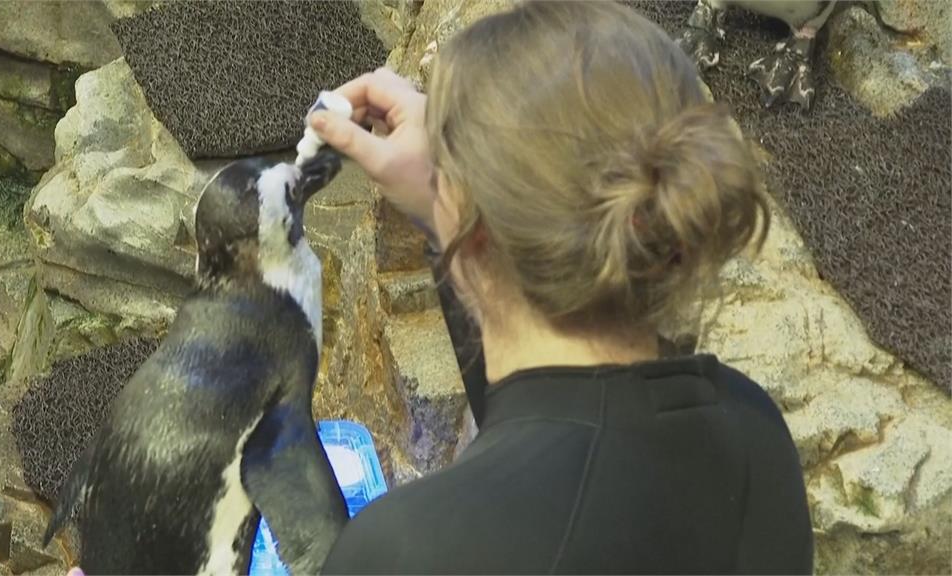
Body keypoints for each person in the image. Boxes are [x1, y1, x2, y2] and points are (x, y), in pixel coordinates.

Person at [311, 1, 813, 574]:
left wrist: (449, 217)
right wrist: (447, 207)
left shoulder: (403, 550)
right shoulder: (752, 431)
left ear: (473, 221)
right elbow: (562, 450)